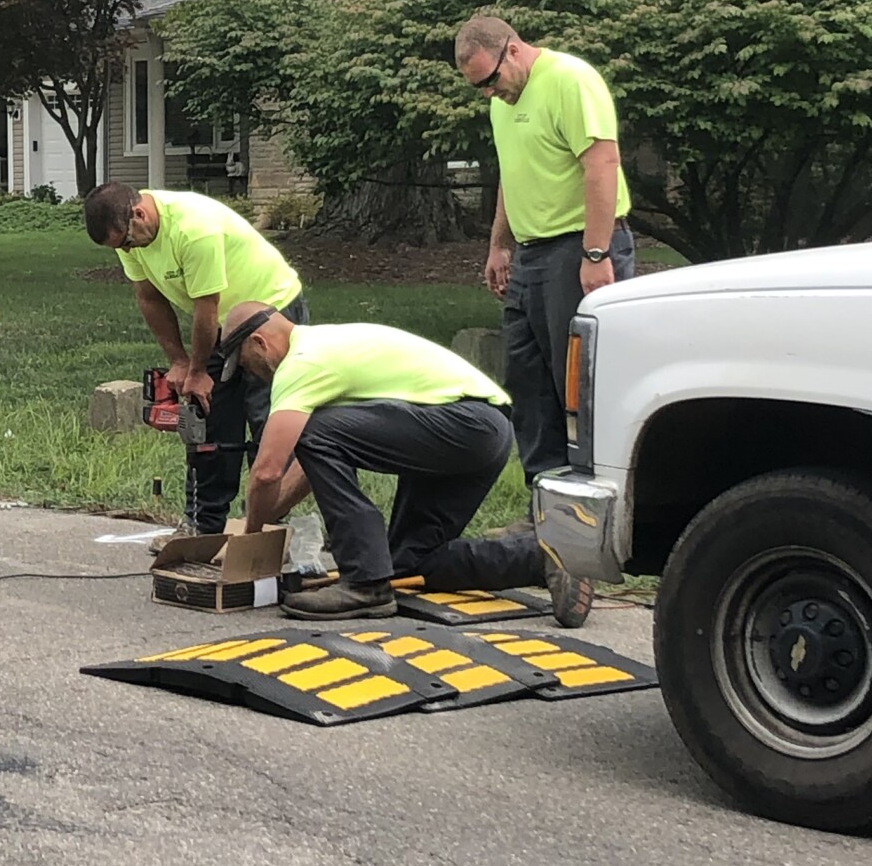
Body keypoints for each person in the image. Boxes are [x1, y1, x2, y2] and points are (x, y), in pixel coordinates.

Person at [220, 302, 591, 627]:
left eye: (245, 365)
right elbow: (313, 461)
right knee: (409, 563)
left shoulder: (300, 365)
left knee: (315, 430)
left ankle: (364, 583)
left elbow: (268, 470)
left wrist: (251, 536)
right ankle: (543, 559)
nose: (251, 374)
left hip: (462, 424)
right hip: (478, 432)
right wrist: (272, 513)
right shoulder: (327, 347)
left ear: (259, 343)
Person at [455, 15, 635, 481]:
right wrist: (499, 245)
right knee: (527, 381)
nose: (490, 93)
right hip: (531, 253)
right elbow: (510, 174)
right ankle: (546, 501)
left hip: (577, 248)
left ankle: (596, 493)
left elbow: (602, 164)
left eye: (491, 80)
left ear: (512, 49)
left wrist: (595, 254)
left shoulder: (569, 80)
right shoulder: (502, 101)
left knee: (577, 383)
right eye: (480, 88)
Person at [85, 183, 308, 534]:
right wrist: (180, 362)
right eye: (119, 247)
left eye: (127, 242)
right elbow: (149, 298)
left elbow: (208, 304)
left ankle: (267, 524)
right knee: (210, 419)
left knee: (268, 418)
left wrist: (200, 369)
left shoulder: (193, 228)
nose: (126, 250)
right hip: (220, 320)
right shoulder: (127, 233)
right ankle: (204, 525)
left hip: (270, 309)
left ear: (138, 214)